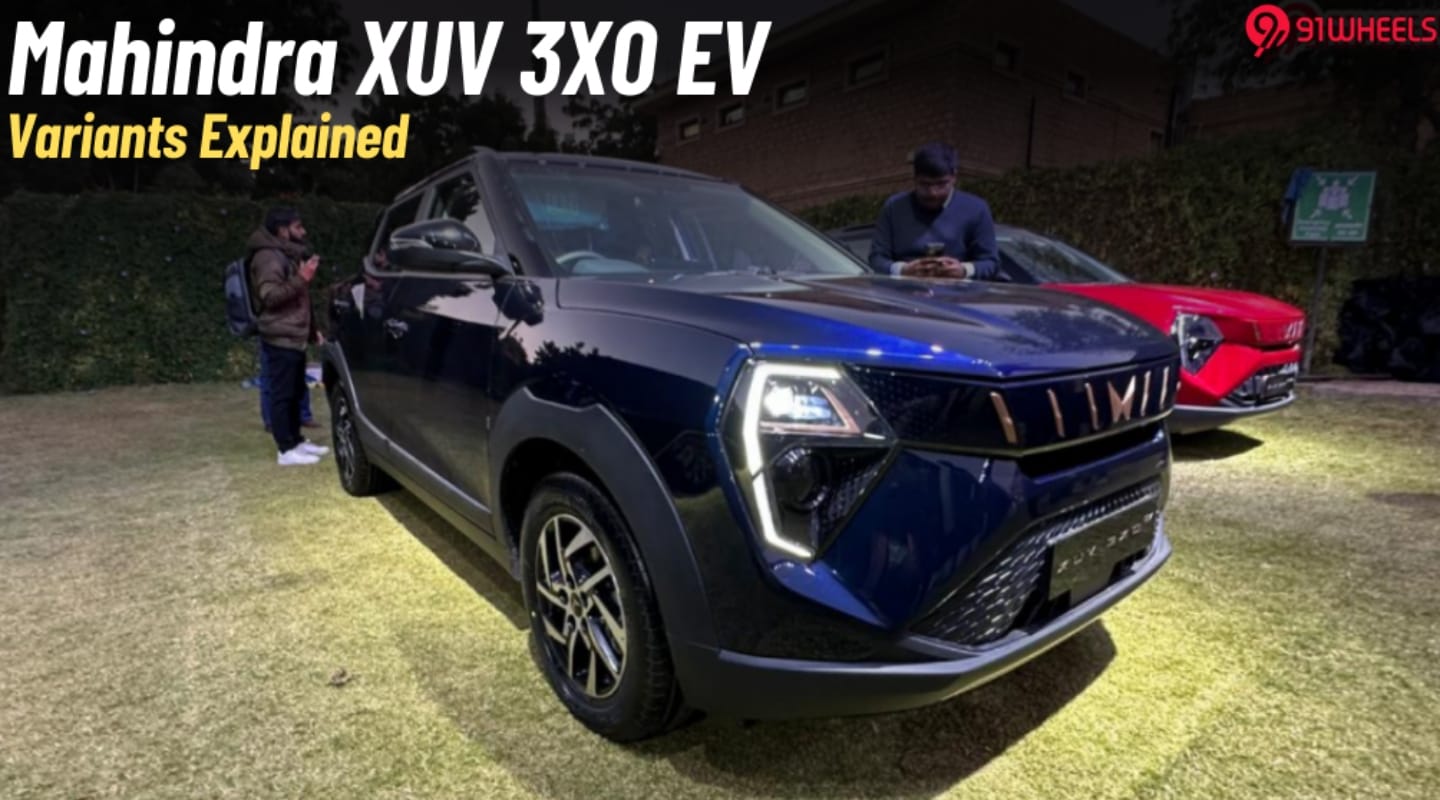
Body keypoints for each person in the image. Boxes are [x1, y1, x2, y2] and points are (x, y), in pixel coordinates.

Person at [247, 206, 330, 466]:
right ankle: (285, 449)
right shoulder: (267, 258)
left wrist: (312, 329)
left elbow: (300, 298)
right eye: (297, 227)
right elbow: (270, 297)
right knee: (282, 394)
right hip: (280, 336)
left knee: (294, 391)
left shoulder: (284, 254)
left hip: (294, 335)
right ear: (282, 230)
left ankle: (296, 441)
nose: (303, 232)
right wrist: (302, 278)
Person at [867, 142, 1000, 280]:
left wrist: (964, 270)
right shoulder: (894, 208)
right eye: (925, 184)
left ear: (954, 177)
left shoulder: (976, 209)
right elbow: (877, 258)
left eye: (941, 184)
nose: (933, 193)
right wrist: (903, 270)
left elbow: (991, 262)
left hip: (957, 292)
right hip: (904, 291)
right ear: (914, 178)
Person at [257, 338, 317, 433]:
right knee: (269, 380)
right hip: (270, 338)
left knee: (299, 377)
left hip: (293, 338)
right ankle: (271, 422)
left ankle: (304, 416)